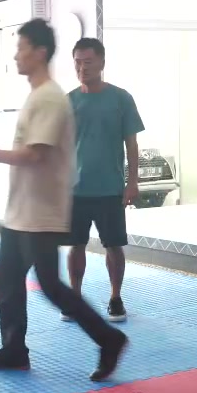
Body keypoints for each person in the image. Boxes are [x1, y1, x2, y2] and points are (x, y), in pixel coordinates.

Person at [0, 18, 128, 382]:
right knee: (6, 279)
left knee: (50, 285)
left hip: (41, 213)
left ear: (39, 52)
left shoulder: (49, 98)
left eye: (21, 48)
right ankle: (14, 349)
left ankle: (109, 338)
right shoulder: (39, 94)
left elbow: (37, 153)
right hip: (21, 213)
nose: (16, 55)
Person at [64, 37, 144, 323]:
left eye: (88, 62)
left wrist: (132, 182)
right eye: (77, 62)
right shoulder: (69, 101)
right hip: (75, 189)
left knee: (113, 245)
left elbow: (131, 144)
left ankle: (115, 297)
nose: (82, 68)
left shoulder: (121, 98)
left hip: (110, 188)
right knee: (75, 245)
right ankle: (74, 299)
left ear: (102, 63)